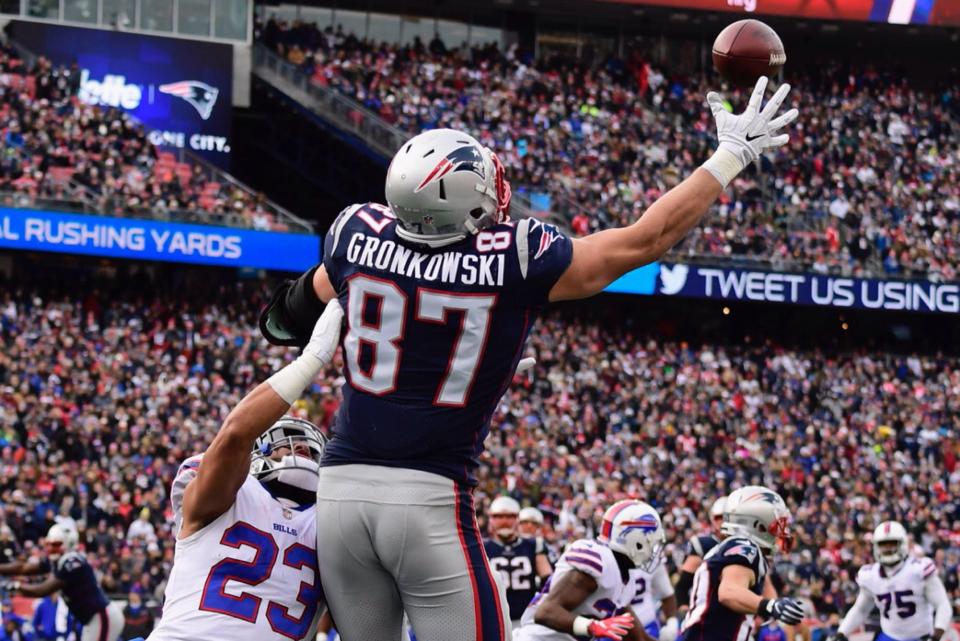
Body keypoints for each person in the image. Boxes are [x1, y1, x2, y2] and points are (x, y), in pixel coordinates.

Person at [260, 76, 797, 641]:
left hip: (341, 492)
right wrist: (731, 155)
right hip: (427, 498)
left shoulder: (353, 232)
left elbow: (286, 319)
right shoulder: (514, 256)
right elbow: (644, 241)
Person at [145, 300, 343, 641]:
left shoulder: (332, 520)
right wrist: (313, 359)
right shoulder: (233, 493)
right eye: (288, 444)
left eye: (311, 450)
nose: (302, 453)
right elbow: (236, 433)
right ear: (256, 454)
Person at [514, 499, 665, 641]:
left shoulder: (625, 578)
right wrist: (592, 626)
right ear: (635, 540)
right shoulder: (600, 561)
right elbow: (546, 612)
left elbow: (639, 638)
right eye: (651, 542)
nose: (653, 550)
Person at [679, 486, 804, 641]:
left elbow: (766, 590)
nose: (780, 532)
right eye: (776, 525)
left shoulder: (739, 548)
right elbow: (728, 592)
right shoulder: (745, 547)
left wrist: (774, 605)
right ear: (758, 525)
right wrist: (771, 606)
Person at [0, 523, 122, 641]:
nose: (50, 548)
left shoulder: (72, 562)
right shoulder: (59, 560)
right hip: (92, 620)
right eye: (48, 544)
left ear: (68, 543)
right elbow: (24, 568)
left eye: (55, 544)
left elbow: (43, 589)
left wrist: (15, 585)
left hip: (101, 617)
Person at [834, 521, 952, 641]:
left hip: (920, 637)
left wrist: (937, 635)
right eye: (883, 544)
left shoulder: (919, 569)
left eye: (892, 544)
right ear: (876, 546)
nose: (887, 548)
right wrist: (841, 633)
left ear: (903, 543)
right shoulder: (870, 575)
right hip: (889, 637)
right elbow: (861, 609)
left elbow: (942, 604)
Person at [483, 497, 553, 628]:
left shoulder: (534, 544)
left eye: (509, 516)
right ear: (491, 519)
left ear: (517, 519)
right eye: (499, 516)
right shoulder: (481, 547)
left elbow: (548, 582)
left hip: (526, 619)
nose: (504, 521)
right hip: (495, 619)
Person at [675, 497, 726, 608]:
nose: (722, 522)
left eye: (727, 518)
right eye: (718, 518)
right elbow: (682, 586)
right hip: (707, 608)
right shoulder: (704, 545)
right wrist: (684, 608)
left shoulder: (746, 545)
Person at [630, 562, 678, 641]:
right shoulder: (606, 558)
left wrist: (672, 623)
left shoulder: (652, 557)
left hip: (648, 625)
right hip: (613, 629)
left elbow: (666, 593)